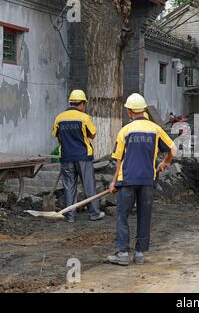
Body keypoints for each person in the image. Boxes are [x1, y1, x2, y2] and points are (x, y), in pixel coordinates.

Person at [107, 93, 176, 266]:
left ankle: (122, 253)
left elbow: (119, 160)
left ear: (130, 112)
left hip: (127, 180)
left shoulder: (125, 131)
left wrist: (114, 182)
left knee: (122, 216)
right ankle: (139, 254)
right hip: (147, 180)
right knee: (144, 216)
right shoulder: (155, 129)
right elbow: (173, 149)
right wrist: (164, 164)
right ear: (144, 110)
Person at [52, 89, 104, 223]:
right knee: (88, 185)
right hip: (83, 157)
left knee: (69, 186)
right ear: (81, 104)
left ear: (70, 102)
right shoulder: (84, 118)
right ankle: (94, 213)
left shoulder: (59, 117)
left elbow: (58, 137)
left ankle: (70, 216)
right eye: (84, 104)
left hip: (66, 157)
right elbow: (92, 135)